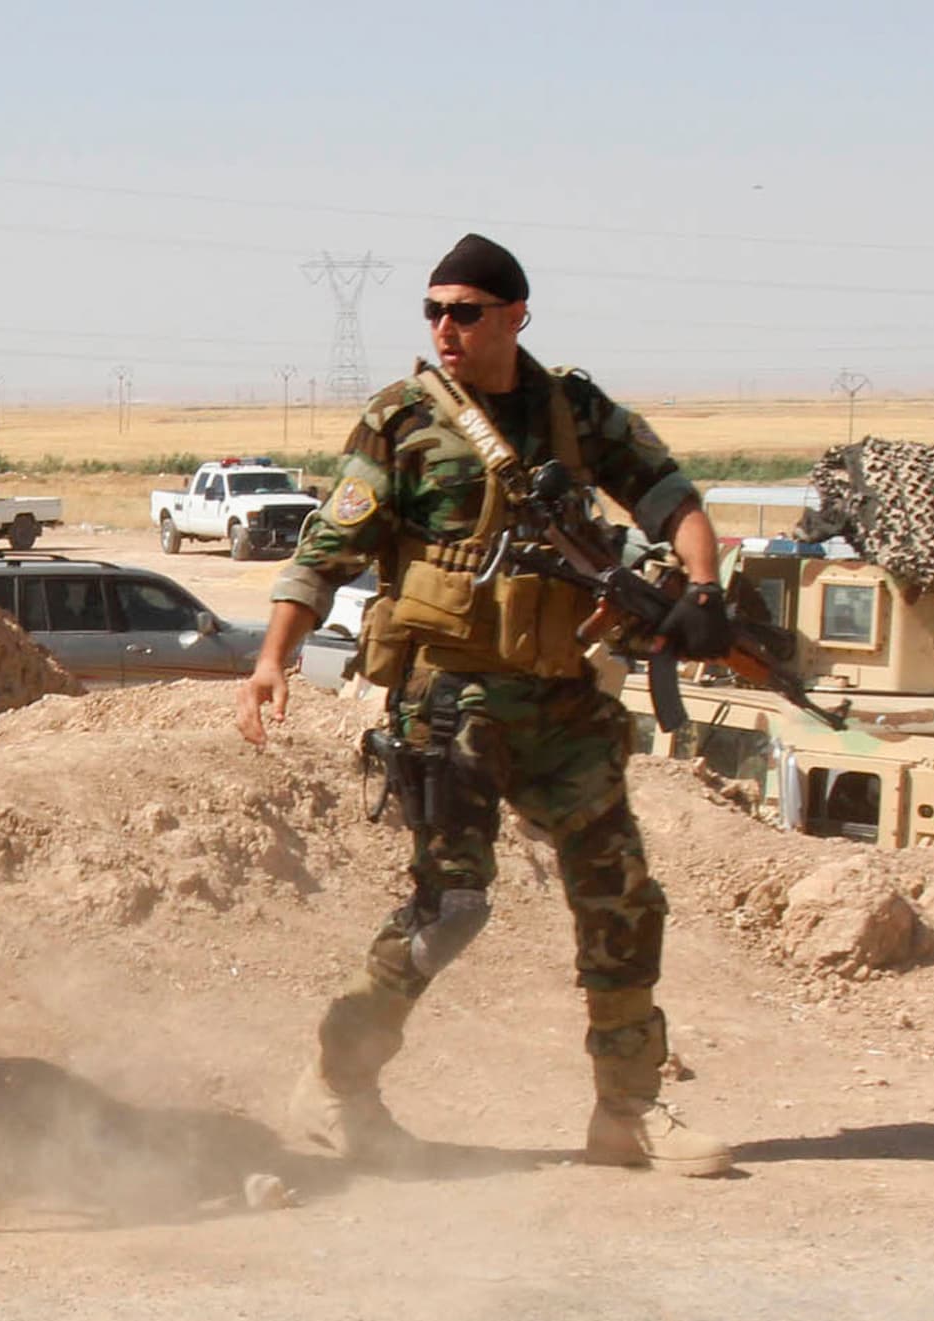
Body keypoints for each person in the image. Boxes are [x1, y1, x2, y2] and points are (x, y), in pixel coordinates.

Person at [234, 233, 738, 1177]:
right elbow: (326, 549)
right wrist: (271, 660)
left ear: (515, 316)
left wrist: (701, 590)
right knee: (453, 906)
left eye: (465, 311)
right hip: (447, 701)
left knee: (622, 895)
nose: (445, 328)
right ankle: (338, 1084)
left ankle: (627, 1110)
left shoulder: (575, 412)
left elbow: (671, 497)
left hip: (561, 700)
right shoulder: (404, 420)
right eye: (433, 311)